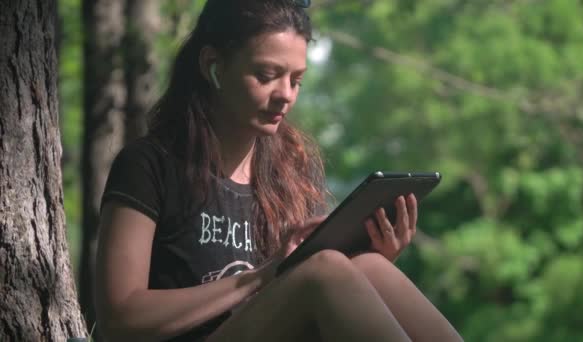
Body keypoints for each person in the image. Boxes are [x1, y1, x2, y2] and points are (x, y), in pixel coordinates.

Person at [94, 0, 463, 341]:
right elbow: (120, 318)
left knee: (367, 266)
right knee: (325, 270)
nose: (285, 94)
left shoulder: (291, 170)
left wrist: (372, 258)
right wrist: (263, 276)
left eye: (296, 80)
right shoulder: (149, 165)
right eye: (267, 74)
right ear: (213, 66)